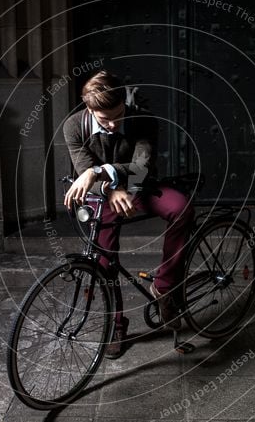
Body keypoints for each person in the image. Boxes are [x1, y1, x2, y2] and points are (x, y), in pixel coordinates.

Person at [62, 70, 195, 358]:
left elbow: (142, 166)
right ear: (89, 109)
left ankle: (165, 286)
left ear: (125, 102)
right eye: (104, 118)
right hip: (107, 196)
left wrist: (101, 172)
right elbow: (83, 169)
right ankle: (116, 324)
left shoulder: (143, 120)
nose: (113, 123)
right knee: (103, 259)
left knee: (181, 208)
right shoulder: (73, 127)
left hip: (141, 186)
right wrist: (110, 190)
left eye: (118, 114)